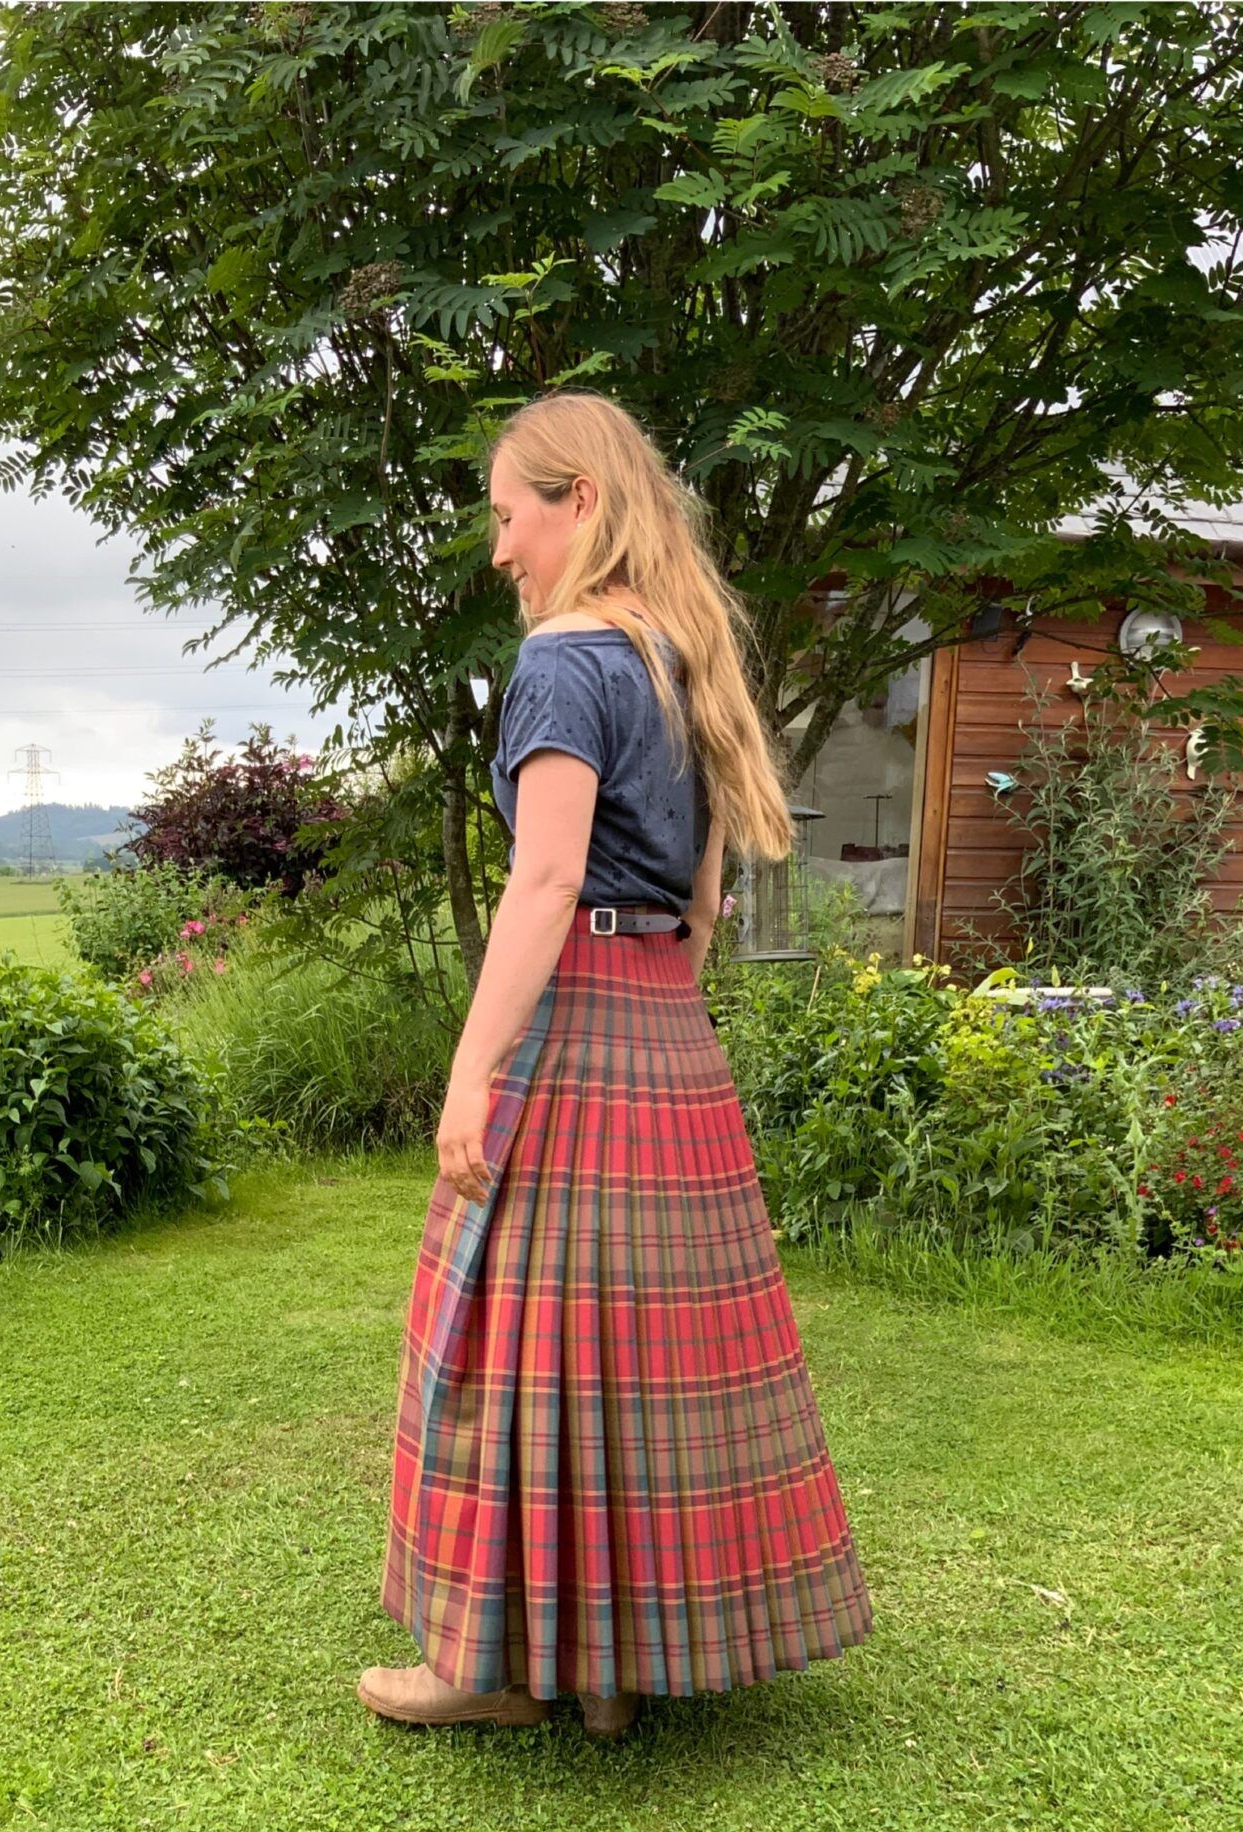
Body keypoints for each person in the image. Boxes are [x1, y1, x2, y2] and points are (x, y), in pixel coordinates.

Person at [359, 390, 872, 1741]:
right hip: (664, 1028)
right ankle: (605, 1675)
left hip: (576, 1010)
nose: (499, 548)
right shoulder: (681, 656)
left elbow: (544, 878)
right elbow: (700, 900)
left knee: (512, 1344)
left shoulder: (567, 662)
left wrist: (472, 1075)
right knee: (637, 1357)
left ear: (577, 499)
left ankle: (497, 1667)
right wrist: (658, 1015)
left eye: (508, 514)